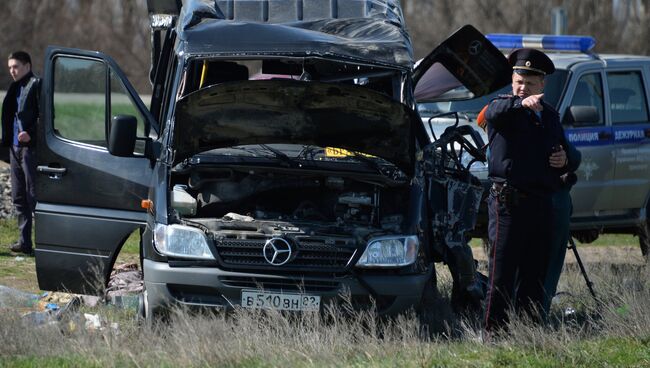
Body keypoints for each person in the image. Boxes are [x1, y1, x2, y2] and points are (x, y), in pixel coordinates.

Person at [482, 48, 569, 332]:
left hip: (540, 204)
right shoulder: (503, 108)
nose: (523, 88)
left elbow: (562, 150)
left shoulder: (551, 116)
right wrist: (521, 103)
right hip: (508, 204)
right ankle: (494, 335)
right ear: (512, 81)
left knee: (534, 276)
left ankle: (529, 335)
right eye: (519, 82)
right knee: (501, 277)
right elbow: (492, 113)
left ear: (542, 85)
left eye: (530, 84)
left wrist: (563, 160)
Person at [1, 51, 39, 255]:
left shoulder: (36, 85)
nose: (12, 71)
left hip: (30, 150)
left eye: (15, 66)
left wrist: (31, 134)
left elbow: (46, 117)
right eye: (9, 68)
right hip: (14, 149)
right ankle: (25, 243)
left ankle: (43, 243)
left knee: (34, 197)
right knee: (18, 197)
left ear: (27, 65)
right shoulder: (15, 87)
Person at [543, 141, 581, 316]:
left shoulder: (549, 121)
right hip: (530, 204)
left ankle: (539, 312)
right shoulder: (506, 120)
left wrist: (565, 159)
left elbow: (575, 156)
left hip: (554, 201)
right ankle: (535, 313)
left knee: (550, 263)